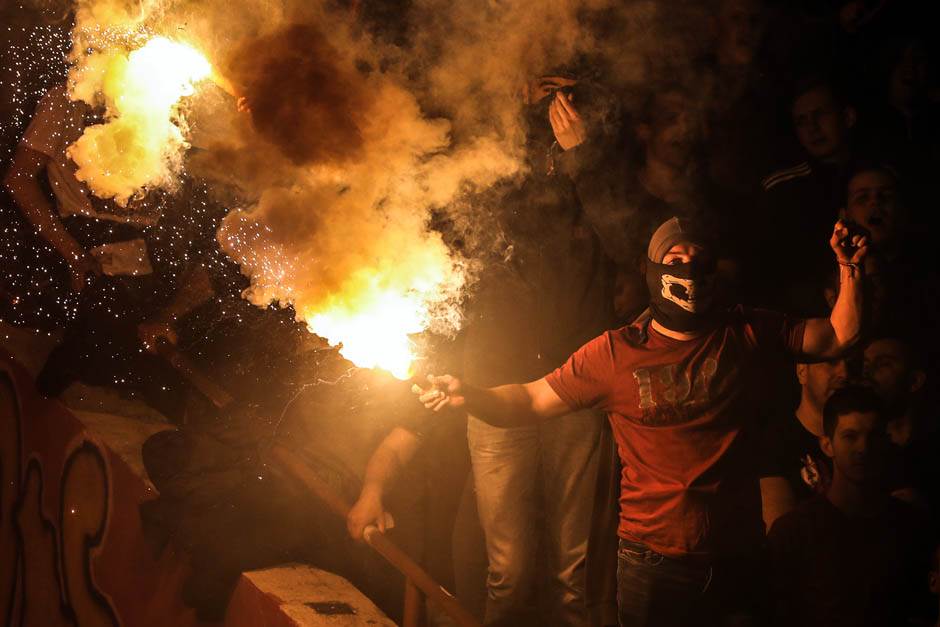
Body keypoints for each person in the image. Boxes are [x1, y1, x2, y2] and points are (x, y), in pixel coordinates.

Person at [416, 214, 867, 626]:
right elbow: (531, 401)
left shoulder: (745, 330)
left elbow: (839, 335)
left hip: (737, 552)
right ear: (652, 271)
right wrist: (468, 394)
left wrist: (849, 269)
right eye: (675, 258)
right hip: (654, 561)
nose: (688, 268)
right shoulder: (615, 353)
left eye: (698, 258)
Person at [3, 83, 217, 421]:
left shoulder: (170, 98)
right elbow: (19, 180)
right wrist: (71, 253)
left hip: (155, 253)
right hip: (81, 247)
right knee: (101, 349)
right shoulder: (70, 98)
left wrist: (169, 314)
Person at [767, 385, 931, 627]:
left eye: (872, 436)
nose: (863, 448)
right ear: (827, 445)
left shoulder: (908, 527)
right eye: (850, 436)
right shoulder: (794, 533)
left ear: (885, 442)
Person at [756, 78, 859, 314]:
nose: (812, 128)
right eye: (802, 122)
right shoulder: (781, 189)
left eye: (820, 115)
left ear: (848, 117)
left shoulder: (876, 180)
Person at [759, 357, 847, 529]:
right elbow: (781, 534)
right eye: (831, 361)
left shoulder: (867, 438)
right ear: (802, 371)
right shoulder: (776, 442)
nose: (845, 373)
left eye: (850, 363)